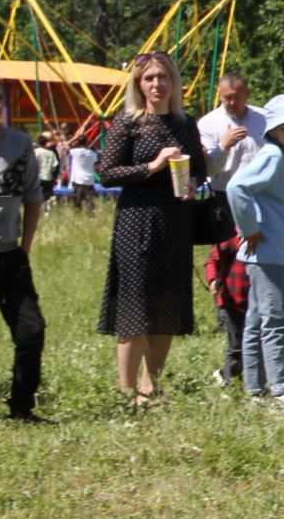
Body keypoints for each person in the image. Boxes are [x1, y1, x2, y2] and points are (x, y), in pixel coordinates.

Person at [95, 52, 209, 405]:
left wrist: (193, 183)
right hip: (136, 221)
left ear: (173, 82)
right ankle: (126, 392)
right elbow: (106, 172)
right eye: (149, 78)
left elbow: (201, 168)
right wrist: (152, 166)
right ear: (138, 84)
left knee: (166, 303)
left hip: (175, 221)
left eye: (163, 77)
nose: (157, 84)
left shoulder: (185, 123)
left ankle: (151, 386)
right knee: (135, 305)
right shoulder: (128, 123)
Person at [227, 95, 284, 408]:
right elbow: (236, 188)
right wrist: (249, 228)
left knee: (255, 320)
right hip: (267, 253)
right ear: (273, 131)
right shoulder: (273, 157)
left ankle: (255, 390)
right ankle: (280, 390)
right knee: (275, 320)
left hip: (271, 253)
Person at [196, 72, 269, 384]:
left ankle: (261, 305)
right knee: (227, 258)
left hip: (259, 197)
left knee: (259, 257)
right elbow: (206, 169)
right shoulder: (208, 124)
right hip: (224, 198)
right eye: (227, 97)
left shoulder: (265, 119)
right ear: (220, 95)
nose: (232, 102)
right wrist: (222, 146)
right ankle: (226, 315)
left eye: (237, 96)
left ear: (247, 92)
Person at [0, 87, 48, 420]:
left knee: (32, 331)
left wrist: (24, 249)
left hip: (9, 256)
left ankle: (22, 408)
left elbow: (33, 199)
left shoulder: (20, 145)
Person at [67, 135, 99, 214]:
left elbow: (67, 146)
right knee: (89, 199)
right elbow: (96, 161)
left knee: (77, 199)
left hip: (77, 179)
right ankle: (91, 214)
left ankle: (77, 213)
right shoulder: (92, 153)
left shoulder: (74, 152)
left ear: (78, 142)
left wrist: (73, 138)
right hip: (89, 179)